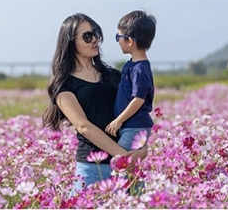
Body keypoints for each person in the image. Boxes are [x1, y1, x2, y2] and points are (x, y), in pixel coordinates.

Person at [42, 13, 147, 194]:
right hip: (93, 168)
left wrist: (142, 149)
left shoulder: (114, 75)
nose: (95, 40)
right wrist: (122, 156)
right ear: (70, 42)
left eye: (96, 34)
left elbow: (137, 113)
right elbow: (83, 126)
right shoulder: (63, 85)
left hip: (128, 166)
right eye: (87, 36)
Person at [105, 10, 156, 152]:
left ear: (129, 41)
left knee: (121, 162)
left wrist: (118, 120)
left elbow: (138, 100)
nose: (117, 41)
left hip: (135, 126)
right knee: (127, 166)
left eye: (118, 37)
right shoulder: (133, 65)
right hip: (131, 125)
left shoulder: (139, 69)